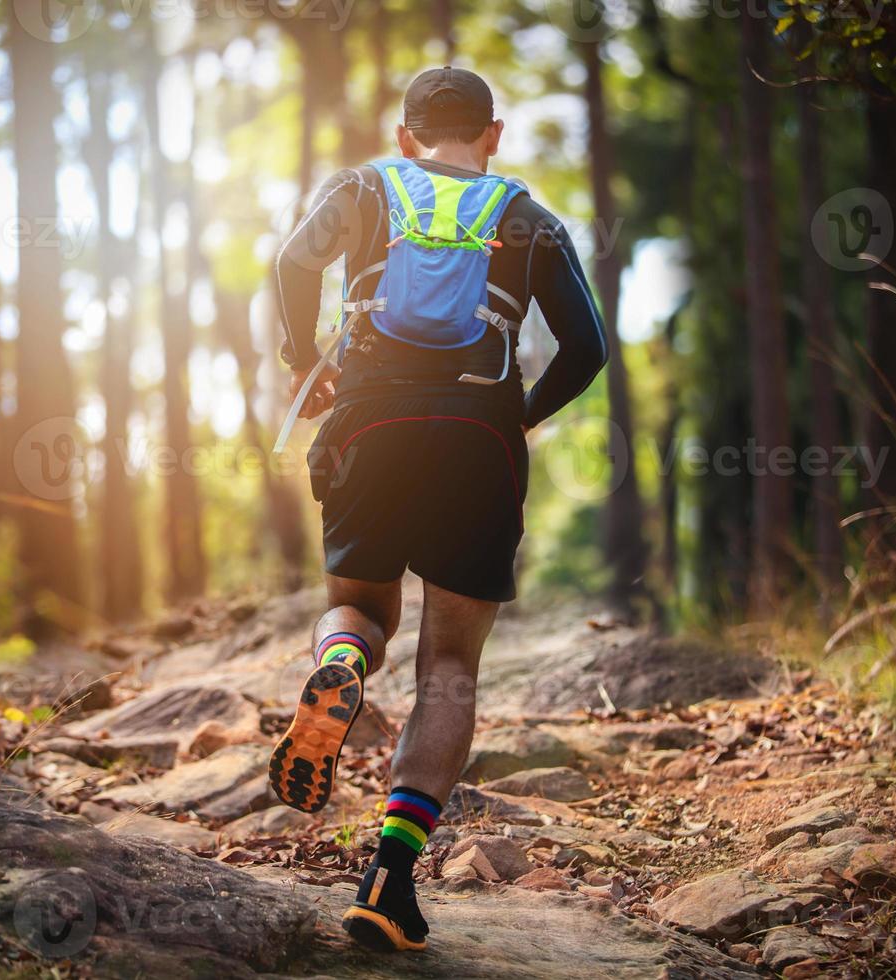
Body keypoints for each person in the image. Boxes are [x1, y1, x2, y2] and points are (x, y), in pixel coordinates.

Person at [268, 65, 609, 953]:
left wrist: (302, 356)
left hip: (366, 420)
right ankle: (389, 878)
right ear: (492, 135)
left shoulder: (362, 187)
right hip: (478, 439)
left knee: (359, 607)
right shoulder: (527, 217)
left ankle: (340, 661)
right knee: (449, 667)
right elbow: (588, 347)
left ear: (405, 135)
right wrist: (515, 417)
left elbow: (292, 260)